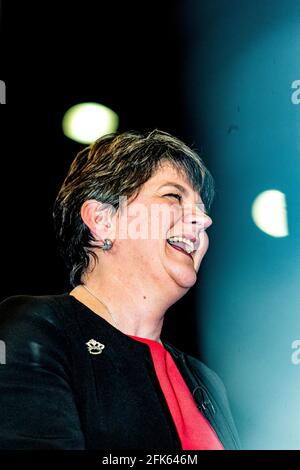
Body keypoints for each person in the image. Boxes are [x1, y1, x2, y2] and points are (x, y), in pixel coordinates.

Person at [0, 130, 240, 450]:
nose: (204, 219)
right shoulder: (36, 329)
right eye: (173, 196)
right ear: (103, 221)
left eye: (201, 207)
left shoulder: (207, 382)